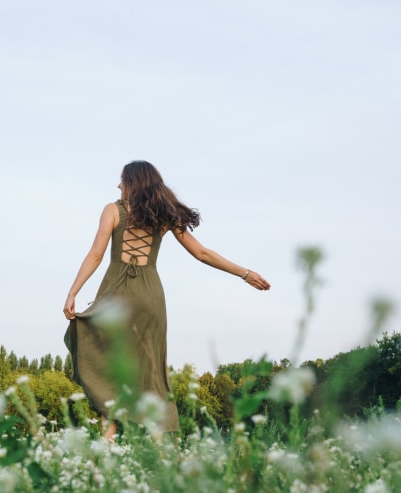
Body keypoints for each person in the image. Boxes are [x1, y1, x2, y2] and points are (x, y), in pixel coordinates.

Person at [63, 160, 271, 439]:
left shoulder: (112, 210)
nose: (118, 185)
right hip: (150, 297)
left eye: (122, 180)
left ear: (133, 182)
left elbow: (96, 255)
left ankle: (107, 444)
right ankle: (159, 448)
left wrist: (73, 291)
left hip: (117, 296)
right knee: (151, 370)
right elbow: (202, 253)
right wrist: (244, 273)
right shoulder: (165, 215)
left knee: (109, 366)